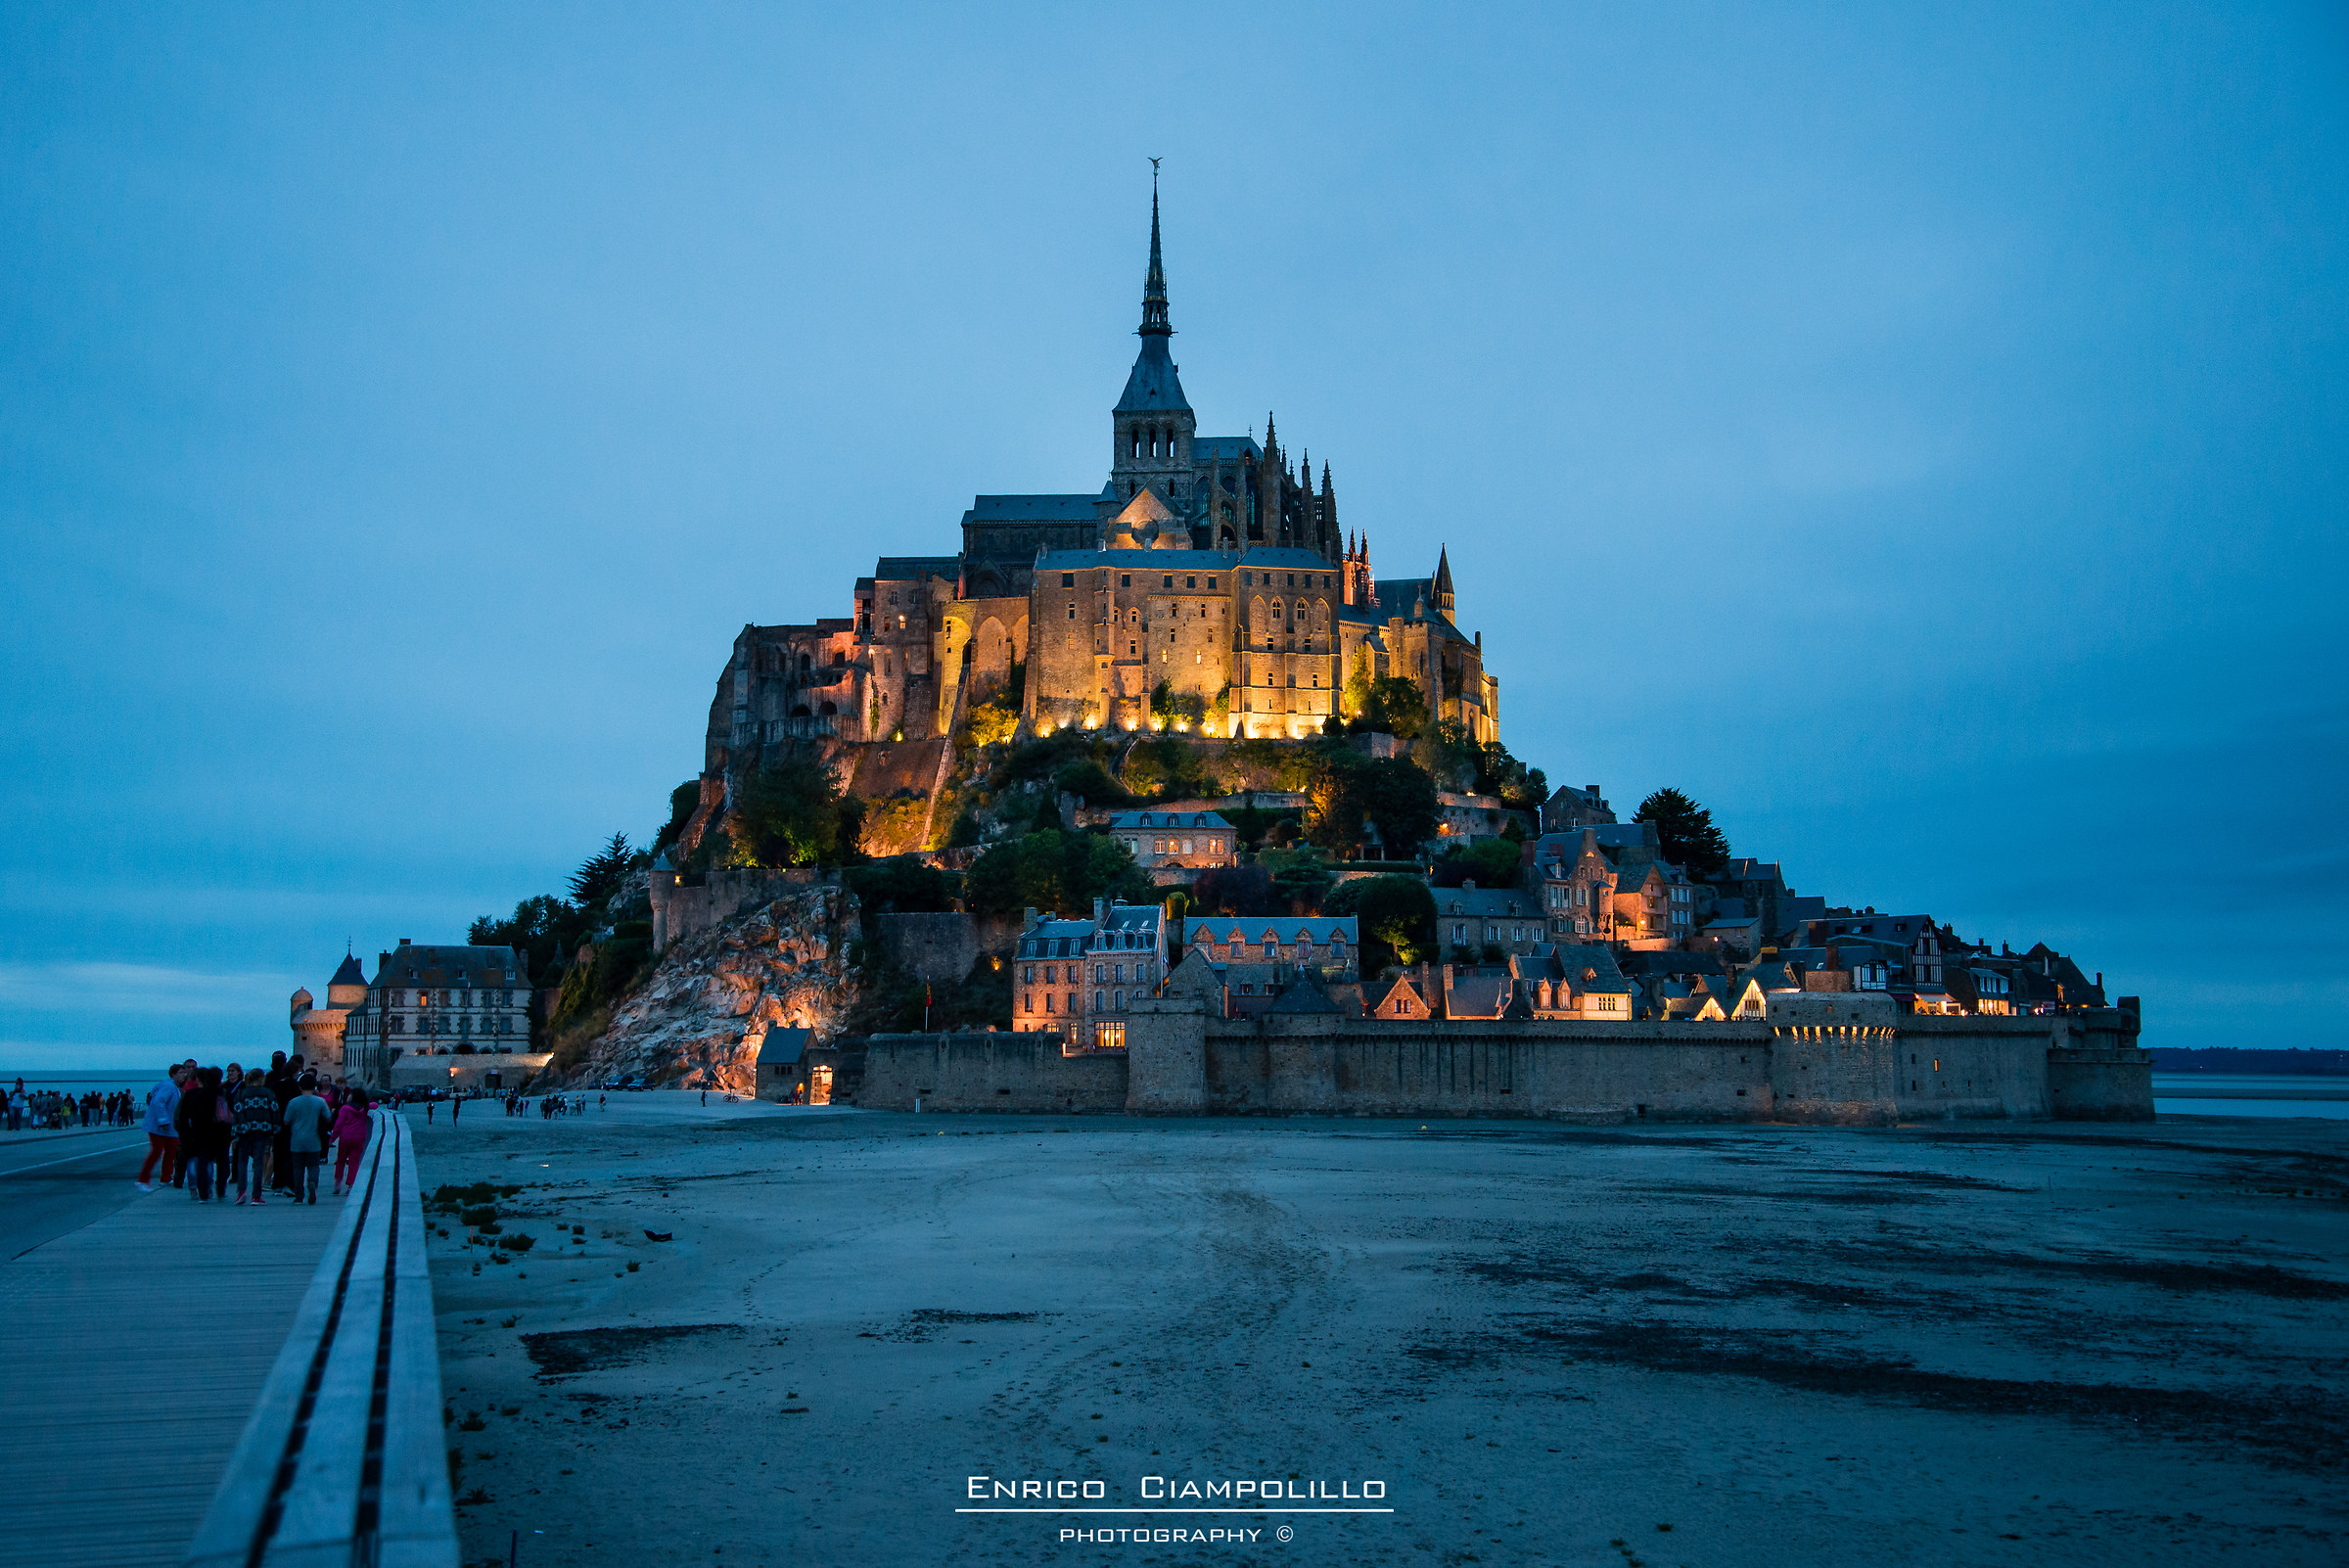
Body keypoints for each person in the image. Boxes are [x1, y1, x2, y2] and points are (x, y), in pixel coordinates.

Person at [228, 1063, 281, 1206]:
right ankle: (256, 1196)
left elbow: (237, 1113)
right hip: (262, 1131)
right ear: (262, 1078)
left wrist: (235, 1134)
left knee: (242, 1162)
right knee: (258, 1163)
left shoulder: (241, 1094)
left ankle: (241, 1192)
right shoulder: (268, 1093)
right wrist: (275, 1130)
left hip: (244, 1131)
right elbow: (275, 1112)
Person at [177, 1067, 228, 1202]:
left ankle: (203, 1192)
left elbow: (183, 1117)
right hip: (221, 1133)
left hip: (201, 1133)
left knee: (202, 1163)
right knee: (222, 1162)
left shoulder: (193, 1095)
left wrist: (184, 1134)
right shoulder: (222, 1093)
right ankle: (221, 1190)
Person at [282, 1074, 330, 1205]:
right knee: (313, 1166)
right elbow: (328, 1117)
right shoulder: (320, 1101)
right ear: (315, 1085)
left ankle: (299, 1195)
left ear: (300, 1086)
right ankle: (312, 1182)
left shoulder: (293, 1102)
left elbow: (286, 1121)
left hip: (297, 1139)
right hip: (314, 1139)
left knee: (298, 1168)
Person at [135, 1064, 183, 1191]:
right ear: (173, 1074)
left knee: (171, 1150)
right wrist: (163, 1120)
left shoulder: (173, 1087)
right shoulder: (168, 1087)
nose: (184, 1076)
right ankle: (142, 1180)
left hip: (168, 1128)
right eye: (181, 1073)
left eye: (184, 1073)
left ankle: (166, 1178)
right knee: (157, 1151)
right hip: (159, 1126)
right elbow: (158, 1102)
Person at [332, 1090, 371, 1195]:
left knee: (340, 1161)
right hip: (359, 1138)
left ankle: (337, 1184)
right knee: (354, 1162)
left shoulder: (345, 1108)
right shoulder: (365, 1108)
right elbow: (375, 1105)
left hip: (345, 1138)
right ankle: (351, 1185)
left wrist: (332, 1138)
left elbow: (338, 1124)